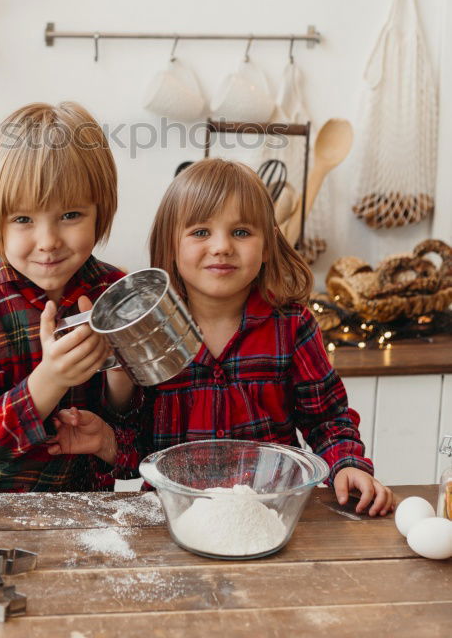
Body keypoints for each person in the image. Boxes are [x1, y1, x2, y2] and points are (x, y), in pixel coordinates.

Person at [48, 158, 395, 516]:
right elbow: (136, 449)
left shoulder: (291, 325)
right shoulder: (152, 330)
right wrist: (109, 422)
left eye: (241, 232)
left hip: (269, 511)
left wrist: (347, 463)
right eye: (201, 232)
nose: (221, 247)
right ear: (172, 244)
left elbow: (327, 418)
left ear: (268, 244)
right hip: (176, 516)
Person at [0, 101, 135, 493]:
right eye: (23, 219)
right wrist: (52, 378)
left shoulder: (115, 293)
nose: (48, 242)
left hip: (74, 510)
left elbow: (134, 442)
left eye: (70, 215)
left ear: (99, 211)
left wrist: (121, 370)